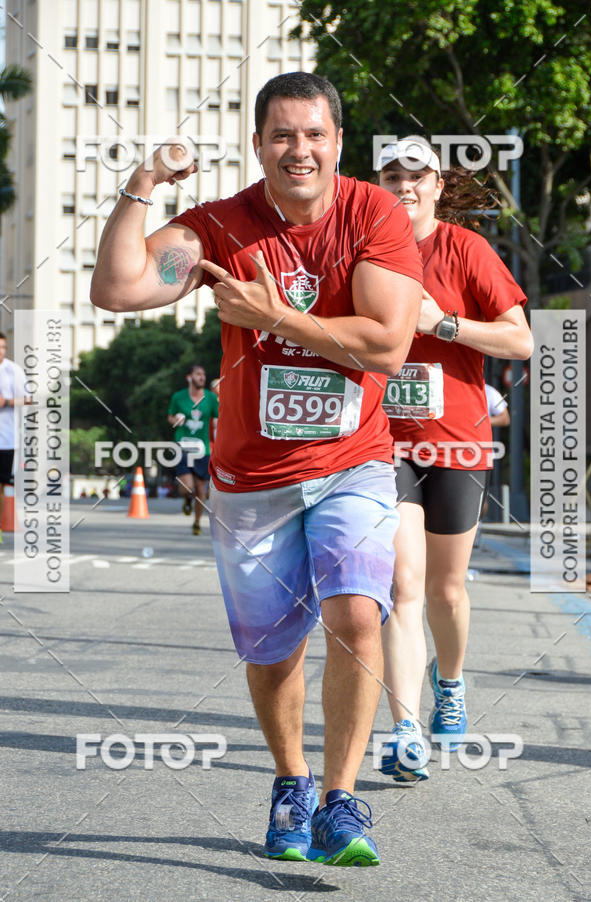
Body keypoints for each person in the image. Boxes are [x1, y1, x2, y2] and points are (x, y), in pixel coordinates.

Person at [90, 72, 422, 866]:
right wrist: (140, 187)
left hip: (354, 462)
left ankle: (343, 801)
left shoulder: (374, 214)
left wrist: (273, 315)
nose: (298, 150)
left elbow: (387, 344)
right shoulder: (219, 226)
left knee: (355, 616)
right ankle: (292, 783)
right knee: (273, 648)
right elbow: (116, 286)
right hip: (252, 480)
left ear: (338, 143)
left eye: (314, 134)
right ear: (258, 145)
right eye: (282, 135)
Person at [374, 137, 533, 783]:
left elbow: (521, 340)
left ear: (438, 185)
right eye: (391, 175)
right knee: (401, 586)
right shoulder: (363, 251)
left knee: (445, 589)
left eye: (417, 176)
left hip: (457, 441)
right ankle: (404, 730)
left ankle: (452, 680)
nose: (404, 186)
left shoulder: (466, 250)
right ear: (377, 183)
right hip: (383, 442)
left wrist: (443, 325)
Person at [167, 364, 219, 534]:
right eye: (198, 374)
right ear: (189, 377)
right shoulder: (178, 397)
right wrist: (175, 420)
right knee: (187, 488)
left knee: (200, 489)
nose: (202, 377)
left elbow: (219, 419)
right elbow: (170, 416)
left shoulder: (210, 398)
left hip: (203, 449)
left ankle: (197, 522)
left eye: (203, 374)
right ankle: (186, 499)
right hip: (182, 445)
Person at [0, 333, 25, 542]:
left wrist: (6, 402)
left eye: (3, 347)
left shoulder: (13, 371)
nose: (0, 351)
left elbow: (27, 399)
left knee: (2, 484)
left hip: (6, 438)